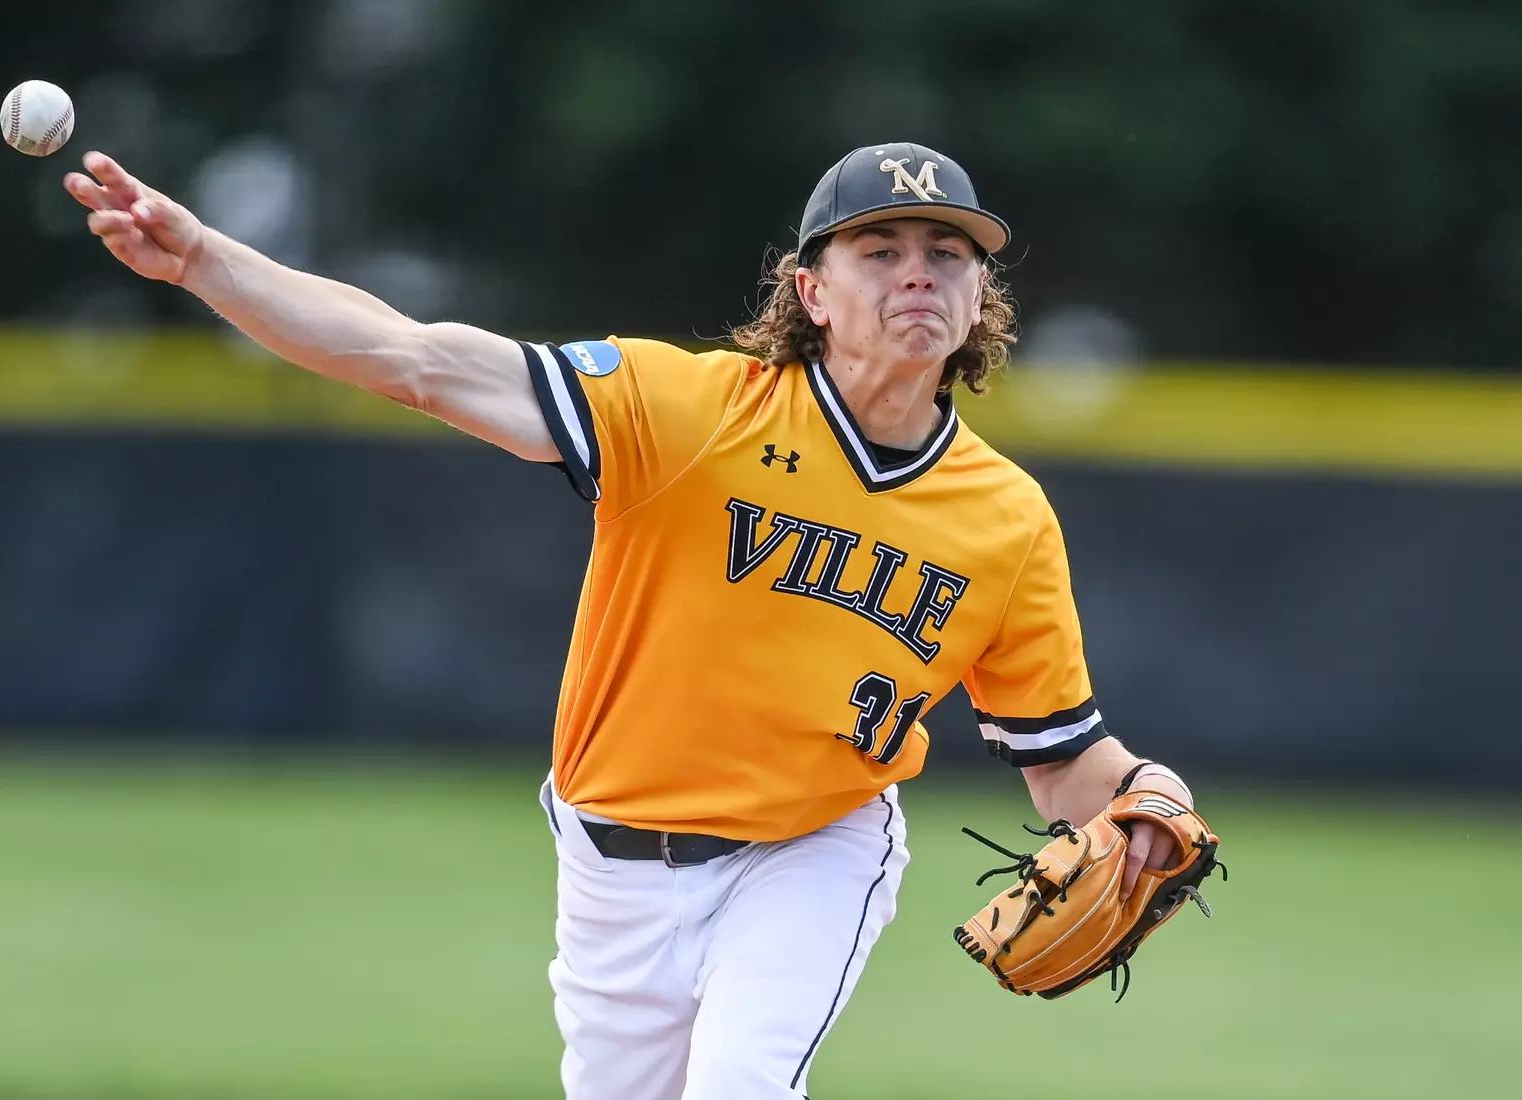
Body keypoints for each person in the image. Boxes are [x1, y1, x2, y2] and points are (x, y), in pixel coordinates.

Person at [64, 140, 1198, 1100]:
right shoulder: (685, 409)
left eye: (947, 253)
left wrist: (1149, 796)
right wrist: (206, 261)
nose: (919, 274)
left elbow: (1062, 759)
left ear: (979, 298)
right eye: (880, 249)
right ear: (811, 291)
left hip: (812, 849)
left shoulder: (1007, 518)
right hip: (609, 861)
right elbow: (413, 359)